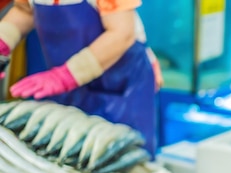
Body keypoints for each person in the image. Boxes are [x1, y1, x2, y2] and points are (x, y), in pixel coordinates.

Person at [0, 0, 162, 157]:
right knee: (65, 155)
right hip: (68, 85)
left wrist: (65, 77)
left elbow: (121, 34)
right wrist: (3, 42)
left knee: (121, 158)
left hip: (119, 87)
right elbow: (25, 11)